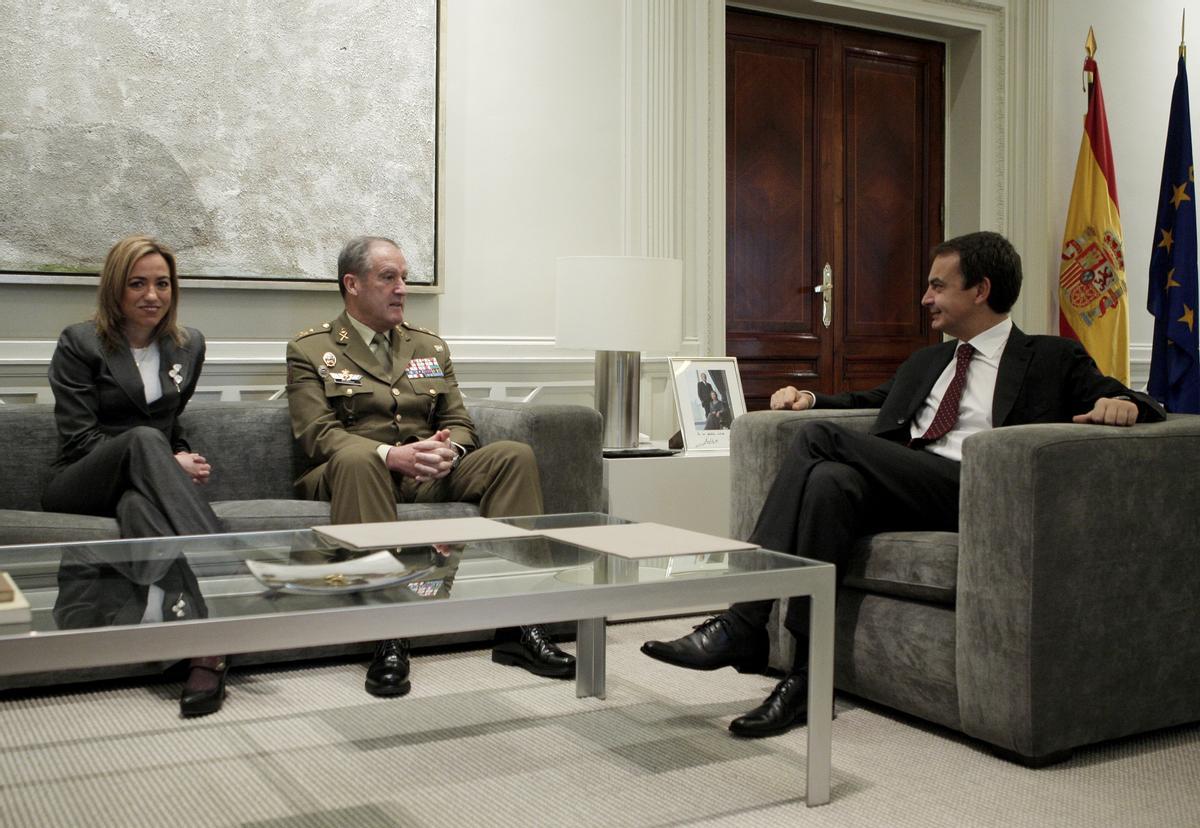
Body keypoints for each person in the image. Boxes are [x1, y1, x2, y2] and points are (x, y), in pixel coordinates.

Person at [642, 231, 1166, 738]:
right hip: (909, 486)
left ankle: (744, 620)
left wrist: (1123, 405)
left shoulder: (1052, 357)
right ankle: (807, 681)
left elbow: (1141, 403)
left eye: (938, 286)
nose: (925, 298)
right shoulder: (929, 360)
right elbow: (872, 398)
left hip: (975, 491)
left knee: (821, 444)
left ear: (981, 290)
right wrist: (813, 400)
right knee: (829, 481)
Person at [285, 235, 575, 698]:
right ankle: (388, 635)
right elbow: (317, 435)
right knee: (359, 456)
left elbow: (459, 422)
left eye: (404, 277)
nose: (402, 288)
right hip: (352, 476)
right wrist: (390, 455)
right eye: (389, 278)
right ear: (352, 284)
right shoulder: (310, 349)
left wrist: (448, 451)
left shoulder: (429, 347)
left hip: (424, 476)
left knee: (513, 456)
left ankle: (520, 626)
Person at [43, 235, 228, 718]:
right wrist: (168, 461)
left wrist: (179, 452)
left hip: (136, 489)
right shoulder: (80, 342)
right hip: (81, 482)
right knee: (146, 441)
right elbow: (80, 440)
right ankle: (224, 564)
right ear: (115, 290)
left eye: (162, 284)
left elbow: (172, 423)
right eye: (138, 283)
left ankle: (204, 651)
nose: (152, 295)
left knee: (140, 507)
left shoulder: (188, 347)